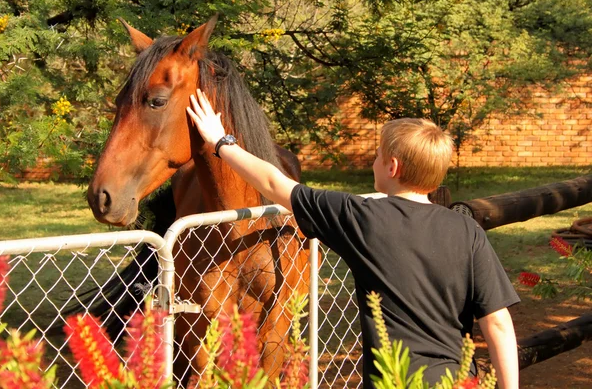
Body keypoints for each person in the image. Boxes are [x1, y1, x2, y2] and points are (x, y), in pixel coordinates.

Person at [187, 89, 520, 389]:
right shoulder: (467, 231)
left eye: (376, 155)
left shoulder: (362, 218)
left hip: (394, 379)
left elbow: (275, 185)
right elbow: (498, 324)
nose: (373, 161)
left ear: (392, 166)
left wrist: (220, 142)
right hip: (459, 381)